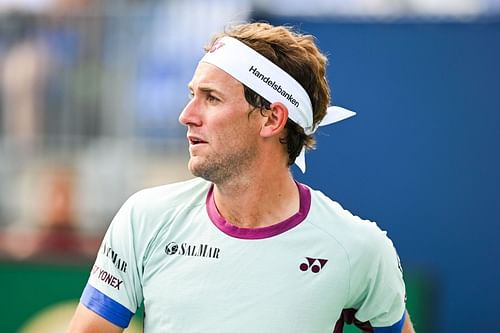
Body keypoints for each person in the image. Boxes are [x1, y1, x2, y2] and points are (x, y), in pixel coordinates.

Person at [67, 22, 416, 333]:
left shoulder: (360, 248)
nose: (186, 115)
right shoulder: (145, 217)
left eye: (212, 98)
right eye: (193, 95)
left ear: (271, 119)